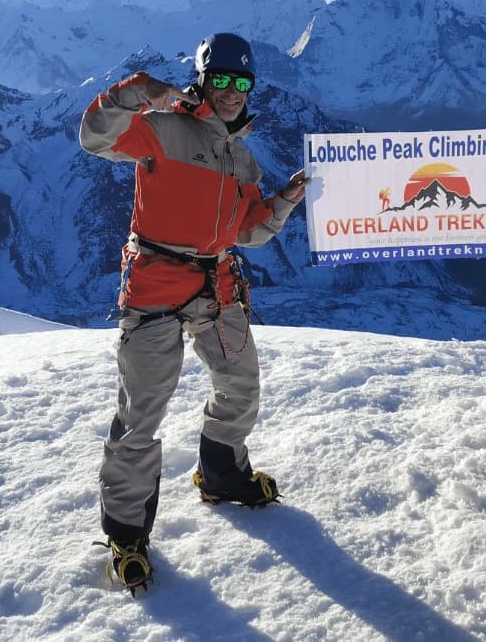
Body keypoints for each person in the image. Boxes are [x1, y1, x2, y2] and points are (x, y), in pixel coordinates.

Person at [79, 32, 308, 593]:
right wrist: (139, 92)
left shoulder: (242, 158)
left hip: (216, 283)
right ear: (204, 79)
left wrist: (281, 204)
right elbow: (93, 138)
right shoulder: (161, 129)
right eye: (222, 80)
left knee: (241, 383)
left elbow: (248, 231)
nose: (232, 92)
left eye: (242, 82)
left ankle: (222, 473)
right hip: (156, 284)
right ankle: (127, 535)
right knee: (142, 415)